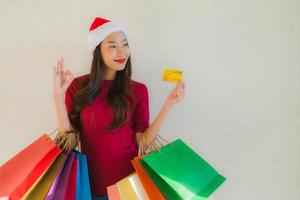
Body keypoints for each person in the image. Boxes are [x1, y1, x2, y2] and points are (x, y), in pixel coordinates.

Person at [52, 17, 185, 199]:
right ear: (98, 50)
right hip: (90, 187)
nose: (122, 52)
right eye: (113, 46)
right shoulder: (77, 87)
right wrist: (58, 98)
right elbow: (71, 142)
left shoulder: (138, 90)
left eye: (125, 44)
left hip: (130, 187)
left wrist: (168, 105)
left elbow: (143, 143)